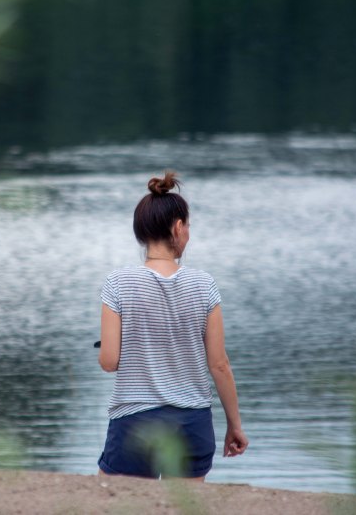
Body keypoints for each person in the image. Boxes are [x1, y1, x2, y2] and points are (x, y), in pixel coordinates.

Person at [97, 171, 248, 481]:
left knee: (116, 501)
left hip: (135, 423)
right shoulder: (204, 285)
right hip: (192, 424)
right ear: (178, 227)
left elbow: (109, 362)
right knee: (182, 505)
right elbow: (219, 364)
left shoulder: (118, 283)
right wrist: (234, 425)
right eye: (188, 226)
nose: (188, 233)